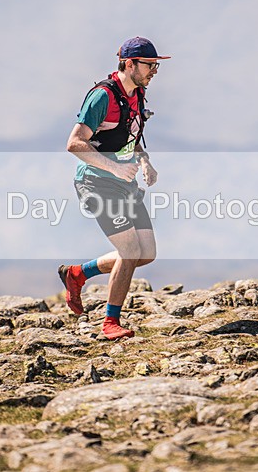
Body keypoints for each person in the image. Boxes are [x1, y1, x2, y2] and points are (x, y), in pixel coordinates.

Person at [58, 36, 170, 340]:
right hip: (96, 183)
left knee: (145, 253)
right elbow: (74, 143)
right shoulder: (102, 97)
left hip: (123, 184)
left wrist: (144, 162)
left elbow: (129, 138)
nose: (155, 71)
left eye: (157, 66)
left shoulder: (138, 94)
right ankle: (110, 323)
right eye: (150, 65)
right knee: (130, 250)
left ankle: (78, 274)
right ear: (130, 64)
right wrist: (116, 168)